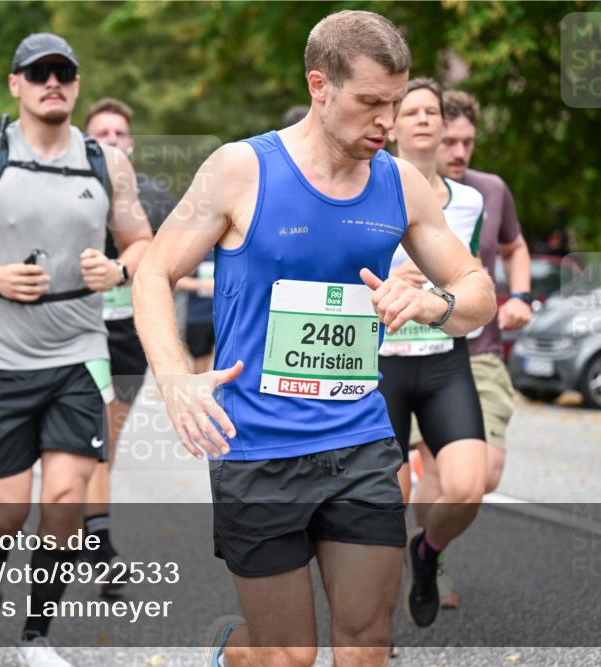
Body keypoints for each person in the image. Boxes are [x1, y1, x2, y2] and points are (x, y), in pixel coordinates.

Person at [131, 11, 495, 666]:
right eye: (371, 103)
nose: (387, 122)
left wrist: (433, 301)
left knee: (364, 647)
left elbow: (477, 290)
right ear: (319, 85)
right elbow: (154, 271)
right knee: (286, 657)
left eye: (397, 102)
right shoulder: (239, 170)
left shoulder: (400, 183)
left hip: (358, 442)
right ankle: (232, 652)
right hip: (257, 449)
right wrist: (174, 375)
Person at [0, 33, 152, 667]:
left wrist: (118, 270)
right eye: (39, 72)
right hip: (1, 358)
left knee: (67, 499)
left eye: (64, 73)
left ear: (75, 84)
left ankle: (36, 636)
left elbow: (141, 242)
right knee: (6, 507)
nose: (53, 82)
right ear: (15, 83)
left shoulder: (108, 163)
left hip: (79, 350)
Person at [377, 78, 488, 627]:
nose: (422, 119)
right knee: (385, 504)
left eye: (432, 112)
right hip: (380, 365)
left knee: (468, 487)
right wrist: (396, 278)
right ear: (393, 124)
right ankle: (373, 626)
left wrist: (447, 290)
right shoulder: (366, 187)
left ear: (446, 126)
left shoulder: (470, 200)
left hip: (444, 359)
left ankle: (427, 554)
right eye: (411, 111)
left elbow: (475, 282)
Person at [421, 88, 534, 607]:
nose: (460, 152)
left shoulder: (489, 191)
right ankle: (427, 566)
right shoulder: (405, 188)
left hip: (480, 350)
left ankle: (427, 547)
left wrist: (522, 296)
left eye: (468, 141)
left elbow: (514, 247)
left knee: (480, 476)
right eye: (451, 141)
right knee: (436, 473)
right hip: (415, 351)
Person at [83, 97, 177, 589]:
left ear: (132, 143)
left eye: (120, 133)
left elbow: (169, 262)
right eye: (102, 133)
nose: (113, 140)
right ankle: (101, 543)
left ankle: (87, 514)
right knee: (95, 432)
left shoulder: (155, 195)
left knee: (107, 438)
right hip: (77, 332)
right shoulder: (69, 189)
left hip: (127, 334)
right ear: (87, 142)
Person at [176, 249, 216, 373]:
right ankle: (201, 390)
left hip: (223, 316)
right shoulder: (196, 251)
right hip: (198, 317)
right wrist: (203, 285)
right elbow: (178, 281)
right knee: (200, 361)